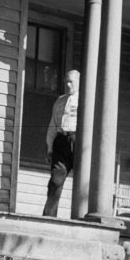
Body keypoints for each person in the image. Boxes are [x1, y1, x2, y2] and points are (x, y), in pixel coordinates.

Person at [43, 69, 79, 217]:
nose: (68, 84)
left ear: (80, 82)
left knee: (84, 182)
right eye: (66, 81)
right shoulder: (60, 100)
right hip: (62, 140)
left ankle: (82, 220)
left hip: (78, 141)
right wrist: (50, 148)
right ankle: (49, 218)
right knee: (56, 181)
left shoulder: (86, 100)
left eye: (72, 81)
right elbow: (53, 125)